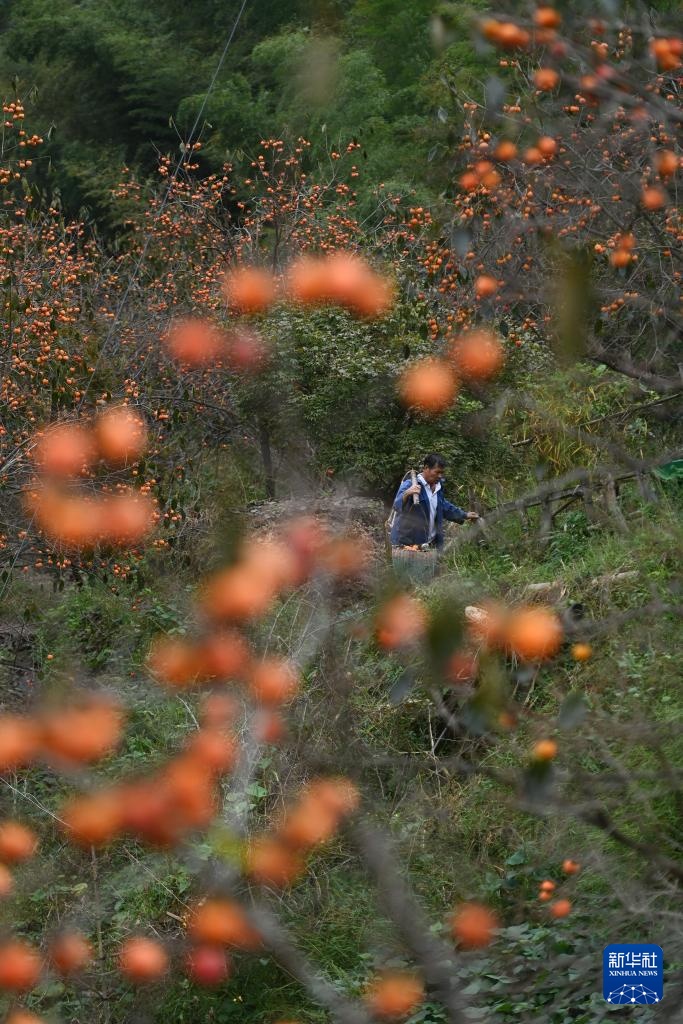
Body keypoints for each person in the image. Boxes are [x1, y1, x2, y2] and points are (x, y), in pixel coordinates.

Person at [389, 453, 479, 553]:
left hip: (428, 545)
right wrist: (407, 493)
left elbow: (443, 506)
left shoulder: (438, 487)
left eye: (442, 473)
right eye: (437, 472)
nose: (440, 476)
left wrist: (464, 515)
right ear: (426, 468)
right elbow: (397, 506)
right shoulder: (410, 484)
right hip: (408, 544)